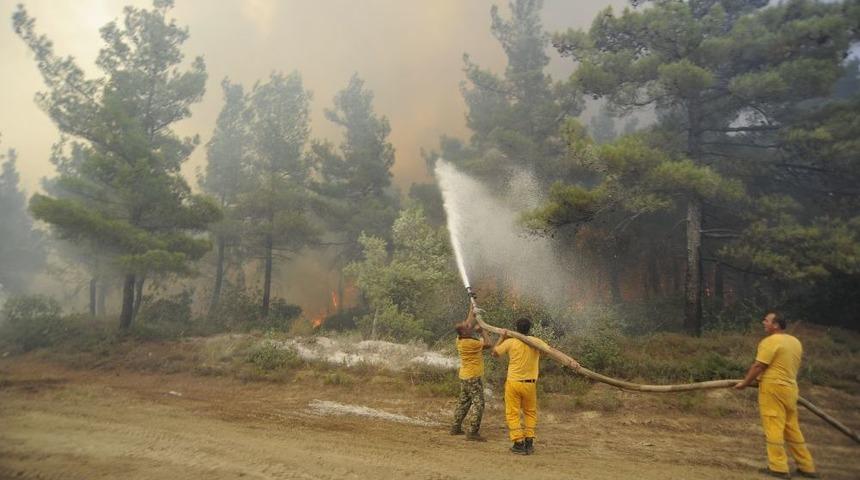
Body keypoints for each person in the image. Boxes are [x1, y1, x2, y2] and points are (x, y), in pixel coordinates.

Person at [735, 312, 818, 479]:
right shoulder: (795, 342)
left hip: (773, 388)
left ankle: (778, 467)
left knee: (773, 425)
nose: (763, 322)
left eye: (766, 320)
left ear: (776, 325)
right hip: (791, 388)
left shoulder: (770, 341)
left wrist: (744, 383)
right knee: (792, 428)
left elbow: (759, 366)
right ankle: (806, 466)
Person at [492, 317, 578, 455]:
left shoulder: (510, 342)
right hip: (530, 384)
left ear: (516, 328)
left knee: (512, 413)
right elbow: (550, 351)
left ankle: (518, 443)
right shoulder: (536, 342)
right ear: (529, 329)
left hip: (513, 383)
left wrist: (502, 337)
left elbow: (494, 353)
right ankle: (529, 442)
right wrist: (571, 361)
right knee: (530, 412)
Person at [450, 304, 491, 441]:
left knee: (464, 401)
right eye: (467, 327)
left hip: (464, 376)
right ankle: (472, 432)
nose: (470, 326)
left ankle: (455, 427)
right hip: (473, 377)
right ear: (464, 332)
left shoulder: (459, 340)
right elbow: (489, 344)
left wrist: (471, 308)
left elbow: (468, 322)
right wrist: (482, 331)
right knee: (479, 404)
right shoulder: (471, 343)